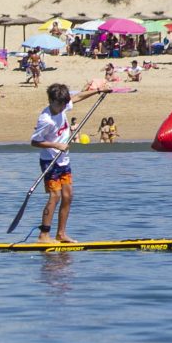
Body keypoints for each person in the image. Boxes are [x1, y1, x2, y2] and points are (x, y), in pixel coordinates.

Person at [30, 81, 108, 243]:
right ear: (51, 101)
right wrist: (56, 144)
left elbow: (78, 96)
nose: (63, 107)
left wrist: (98, 91)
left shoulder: (63, 105)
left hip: (64, 160)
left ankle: (61, 234)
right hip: (49, 161)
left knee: (68, 195)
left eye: (65, 103)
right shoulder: (46, 120)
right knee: (55, 196)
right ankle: (43, 235)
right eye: (60, 104)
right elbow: (34, 142)